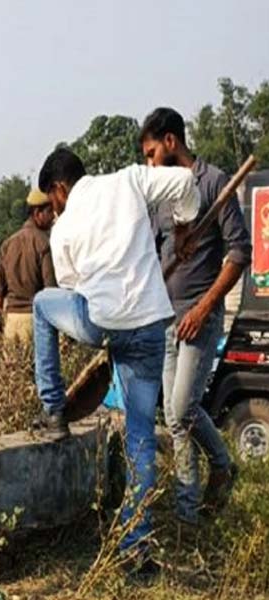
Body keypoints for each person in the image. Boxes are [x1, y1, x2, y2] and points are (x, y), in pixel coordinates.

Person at [32, 147, 199, 573]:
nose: (53, 209)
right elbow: (184, 181)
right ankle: (134, 544)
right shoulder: (130, 179)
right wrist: (183, 226)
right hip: (148, 325)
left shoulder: (64, 227)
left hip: (99, 321)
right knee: (140, 437)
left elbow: (70, 287)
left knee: (40, 305)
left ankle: (53, 409)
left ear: (58, 189)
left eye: (51, 201)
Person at [141, 107, 250, 523]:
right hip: (165, 318)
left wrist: (204, 308)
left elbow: (239, 253)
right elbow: (152, 251)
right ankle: (189, 511)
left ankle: (221, 467)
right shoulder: (159, 193)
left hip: (198, 319)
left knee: (181, 411)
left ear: (171, 142)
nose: (150, 163)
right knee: (175, 416)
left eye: (152, 153)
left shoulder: (214, 183)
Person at [0, 188, 57, 343]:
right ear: (37, 213)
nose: (52, 218)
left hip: (11, 322)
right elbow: (51, 292)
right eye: (49, 212)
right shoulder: (44, 243)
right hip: (34, 321)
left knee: (11, 367)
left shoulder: (7, 244)